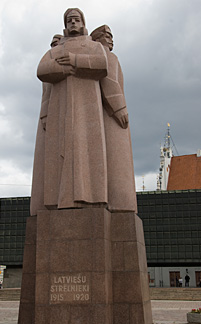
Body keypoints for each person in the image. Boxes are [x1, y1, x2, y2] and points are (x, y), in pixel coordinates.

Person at [31, 8, 108, 213]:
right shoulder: (55, 50)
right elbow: (41, 70)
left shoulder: (92, 46)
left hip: (88, 108)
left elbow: (102, 64)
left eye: (76, 19)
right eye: (69, 20)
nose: (73, 23)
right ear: (65, 25)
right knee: (61, 154)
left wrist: (74, 60)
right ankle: (60, 198)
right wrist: (65, 70)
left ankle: (92, 197)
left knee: (87, 150)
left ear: (83, 23)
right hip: (60, 107)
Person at [90, 25, 137, 212]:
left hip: (106, 114)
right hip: (111, 116)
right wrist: (120, 108)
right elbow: (109, 82)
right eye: (107, 35)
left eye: (111, 36)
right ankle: (119, 203)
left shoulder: (105, 56)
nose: (111, 39)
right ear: (98, 39)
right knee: (116, 159)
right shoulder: (106, 56)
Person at [30, 34, 63, 214]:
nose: (54, 48)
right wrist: (44, 114)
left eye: (57, 44)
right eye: (53, 45)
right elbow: (46, 94)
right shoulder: (51, 67)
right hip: (50, 116)